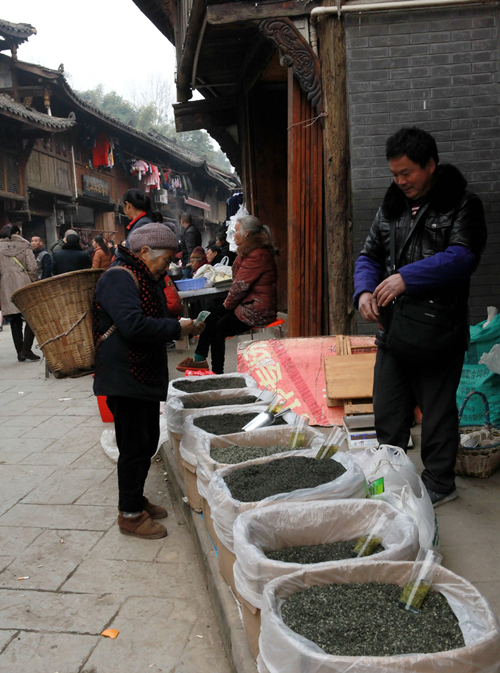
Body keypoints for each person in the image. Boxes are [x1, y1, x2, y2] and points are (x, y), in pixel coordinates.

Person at [354, 126, 487, 508]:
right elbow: (369, 255)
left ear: (430, 165)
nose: (400, 182)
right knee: (388, 408)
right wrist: (364, 290)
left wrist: (406, 278)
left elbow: (463, 257)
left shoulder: (462, 204)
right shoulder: (391, 207)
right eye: (394, 174)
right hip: (393, 329)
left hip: (438, 329)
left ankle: (440, 483)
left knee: (438, 412)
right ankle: (392, 475)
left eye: (407, 173)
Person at [92, 222, 204, 539]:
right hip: (123, 375)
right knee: (133, 446)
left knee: (146, 440)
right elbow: (133, 326)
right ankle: (129, 515)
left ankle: (135, 498)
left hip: (140, 372)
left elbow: (152, 317)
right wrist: (177, 328)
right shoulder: (117, 278)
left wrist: (179, 323)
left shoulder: (144, 275)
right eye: (165, 260)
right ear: (143, 252)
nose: (167, 266)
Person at [177, 215, 278, 374]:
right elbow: (238, 279)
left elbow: (239, 286)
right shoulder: (247, 252)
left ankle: (214, 370)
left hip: (257, 309)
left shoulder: (258, 255)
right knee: (209, 314)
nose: (233, 235)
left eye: (236, 231)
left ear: (246, 234)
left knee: (218, 328)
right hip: (246, 304)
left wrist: (226, 306)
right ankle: (200, 359)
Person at [0, 223, 39, 361]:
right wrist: (32, 280)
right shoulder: (25, 245)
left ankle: (19, 351)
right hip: (24, 285)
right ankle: (26, 349)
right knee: (31, 317)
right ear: (17, 232)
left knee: (14, 319)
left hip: (6, 286)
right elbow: (32, 268)